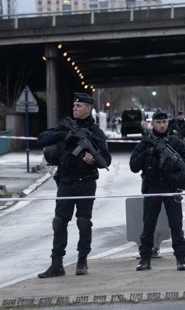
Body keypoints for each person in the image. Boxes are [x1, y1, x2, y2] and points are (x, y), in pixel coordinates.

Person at [36, 92, 112, 278]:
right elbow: (42, 138)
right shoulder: (65, 126)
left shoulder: (96, 133)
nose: (74, 108)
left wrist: (92, 160)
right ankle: (56, 264)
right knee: (59, 222)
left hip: (85, 183)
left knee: (84, 222)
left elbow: (106, 160)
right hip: (66, 182)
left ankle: (82, 261)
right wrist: (64, 136)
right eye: (74, 105)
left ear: (88, 108)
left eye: (78, 106)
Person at [130, 110, 185, 271]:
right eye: (158, 122)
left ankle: (181, 258)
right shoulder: (146, 142)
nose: (162, 125)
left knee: (176, 224)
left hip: (171, 187)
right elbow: (133, 166)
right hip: (152, 187)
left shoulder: (175, 142)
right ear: (152, 123)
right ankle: (145, 258)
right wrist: (148, 153)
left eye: (164, 122)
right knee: (148, 225)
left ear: (168, 123)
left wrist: (175, 163)